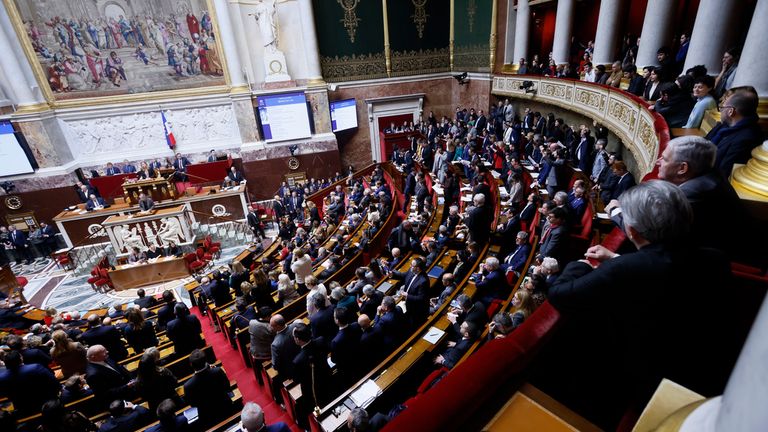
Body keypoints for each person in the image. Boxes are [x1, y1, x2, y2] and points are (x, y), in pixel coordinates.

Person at [544, 181, 734, 427]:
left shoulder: (625, 270)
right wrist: (614, 258)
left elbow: (560, 293)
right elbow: (663, 268)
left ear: (631, 231)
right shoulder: (715, 258)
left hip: (644, 374)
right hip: (707, 362)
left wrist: (579, 264)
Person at [706, 87, 763, 177]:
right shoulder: (722, 126)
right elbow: (703, 143)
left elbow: (723, 173)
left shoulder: (747, 139)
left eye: (722, 107)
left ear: (730, 111)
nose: (720, 110)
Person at [184, 349, 234, 427]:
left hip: (207, 416)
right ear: (205, 361)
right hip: (225, 406)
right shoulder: (217, 371)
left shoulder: (188, 386)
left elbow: (193, 404)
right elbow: (227, 387)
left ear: (191, 365)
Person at [0, 350, 59, 415]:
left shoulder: (2, 378)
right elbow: (54, 382)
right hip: (47, 403)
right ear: (21, 359)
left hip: (24, 408)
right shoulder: (36, 367)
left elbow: (4, 394)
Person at [135, 348, 181, 414]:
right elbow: (174, 382)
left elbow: (144, 398)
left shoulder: (138, 382)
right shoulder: (163, 372)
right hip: (171, 399)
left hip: (156, 406)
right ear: (153, 364)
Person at [391, 257, 430, 327]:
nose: (410, 266)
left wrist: (407, 296)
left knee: (412, 324)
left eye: (412, 265)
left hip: (416, 309)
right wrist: (393, 274)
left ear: (418, 268)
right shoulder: (411, 270)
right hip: (408, 302)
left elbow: (421, 298)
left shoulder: (424, 281)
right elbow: (403, 275)